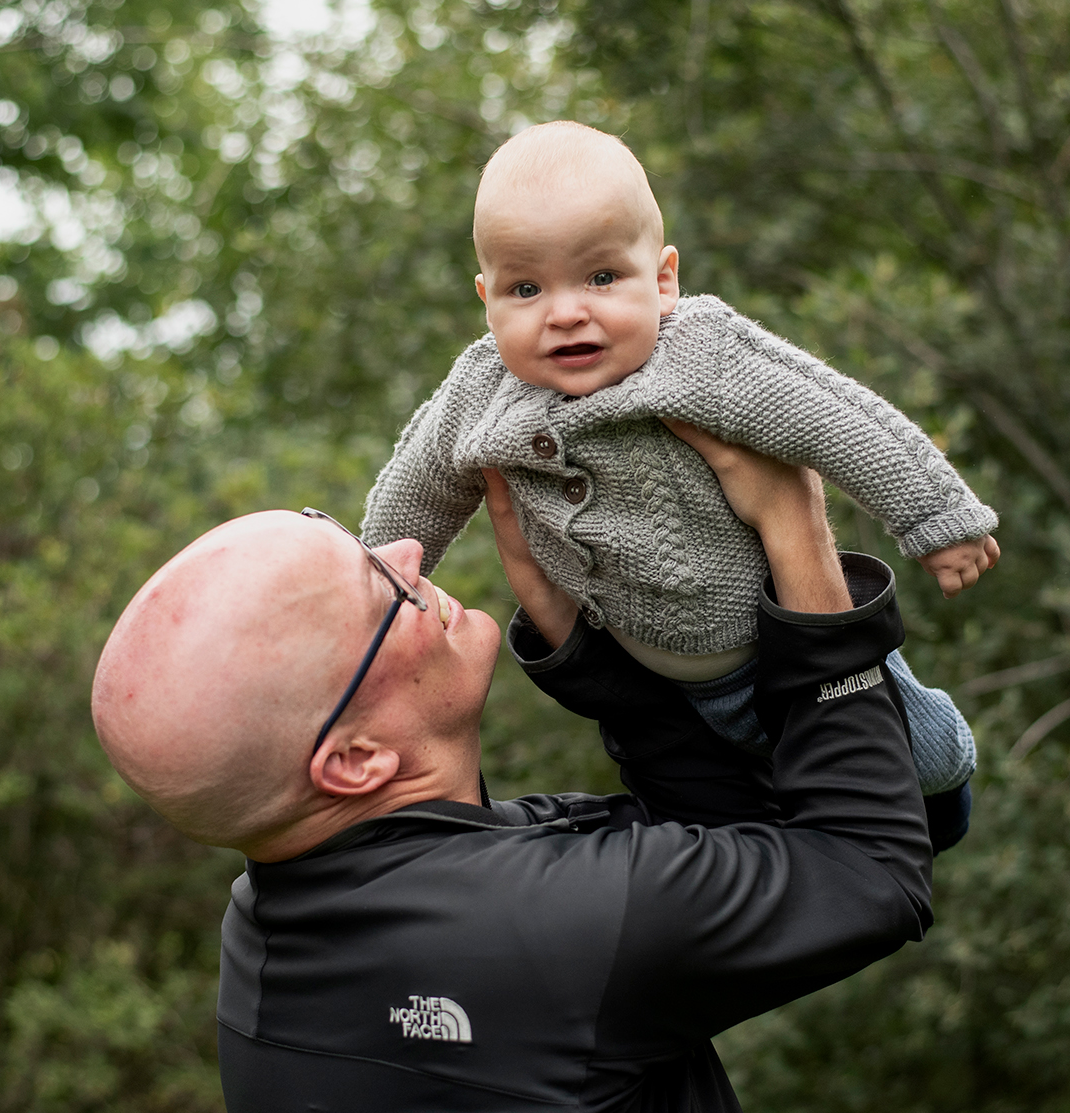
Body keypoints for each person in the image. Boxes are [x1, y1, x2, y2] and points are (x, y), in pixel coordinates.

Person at [92, 427, 958, 1113]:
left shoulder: (292, 917)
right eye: (378, 587)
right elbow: (868, 871)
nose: (407, 549)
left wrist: (603, 667)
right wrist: (798, 531)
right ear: (355, 762)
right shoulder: (528, 932)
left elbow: (712, 842)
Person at [360, 120, 998, 798]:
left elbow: (833, 415)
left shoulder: (700, 355)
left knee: (924, 770)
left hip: (781, 645)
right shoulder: (480, 390)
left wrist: (937, 516)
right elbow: (416, 491)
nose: (567, 312)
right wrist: (364, 597)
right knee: (741, 806)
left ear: (662, 282)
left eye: (602, 277)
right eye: (527, 289)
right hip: (651, 678)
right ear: (487, 301)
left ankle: (945, 781)